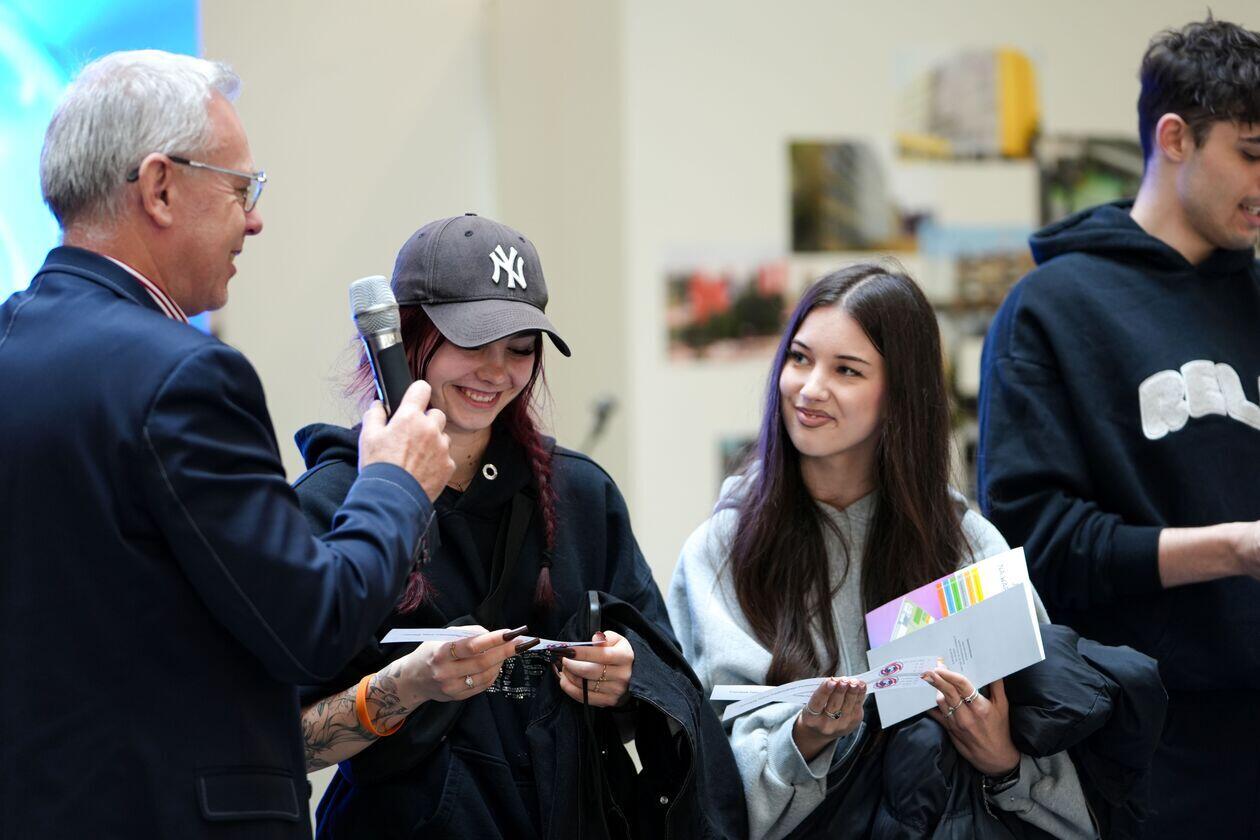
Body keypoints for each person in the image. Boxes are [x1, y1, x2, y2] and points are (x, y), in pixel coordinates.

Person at [0, 51, 453, 838]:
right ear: (159, 188)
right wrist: (395, 482)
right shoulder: (183, 377)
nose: (254, 220)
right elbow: (311, 628)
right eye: (242, 189)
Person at [293, 213, 745, 840]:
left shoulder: (580, 494)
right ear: (406, 337)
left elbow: (669, 691)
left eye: (520, 349)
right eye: (472, 342)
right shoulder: (334, 503)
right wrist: (409, 686)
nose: (496, 371)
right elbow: (288, 743)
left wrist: (626, 679)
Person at [668, 264, 1096, 839]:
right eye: (799, 359)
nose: (810, 388)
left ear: (901, 394)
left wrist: (1001, 760)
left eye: (846, 370)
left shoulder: (967, 544)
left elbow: (1070, 803)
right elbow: (705, 776)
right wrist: (806, 740)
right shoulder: (723, 549)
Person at [977, 16, 1260, 837]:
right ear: (1175, 138)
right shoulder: (1051, 310)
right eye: (1250, 152)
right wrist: (1234, 549)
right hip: (1148, 752)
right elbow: (1037, 547)